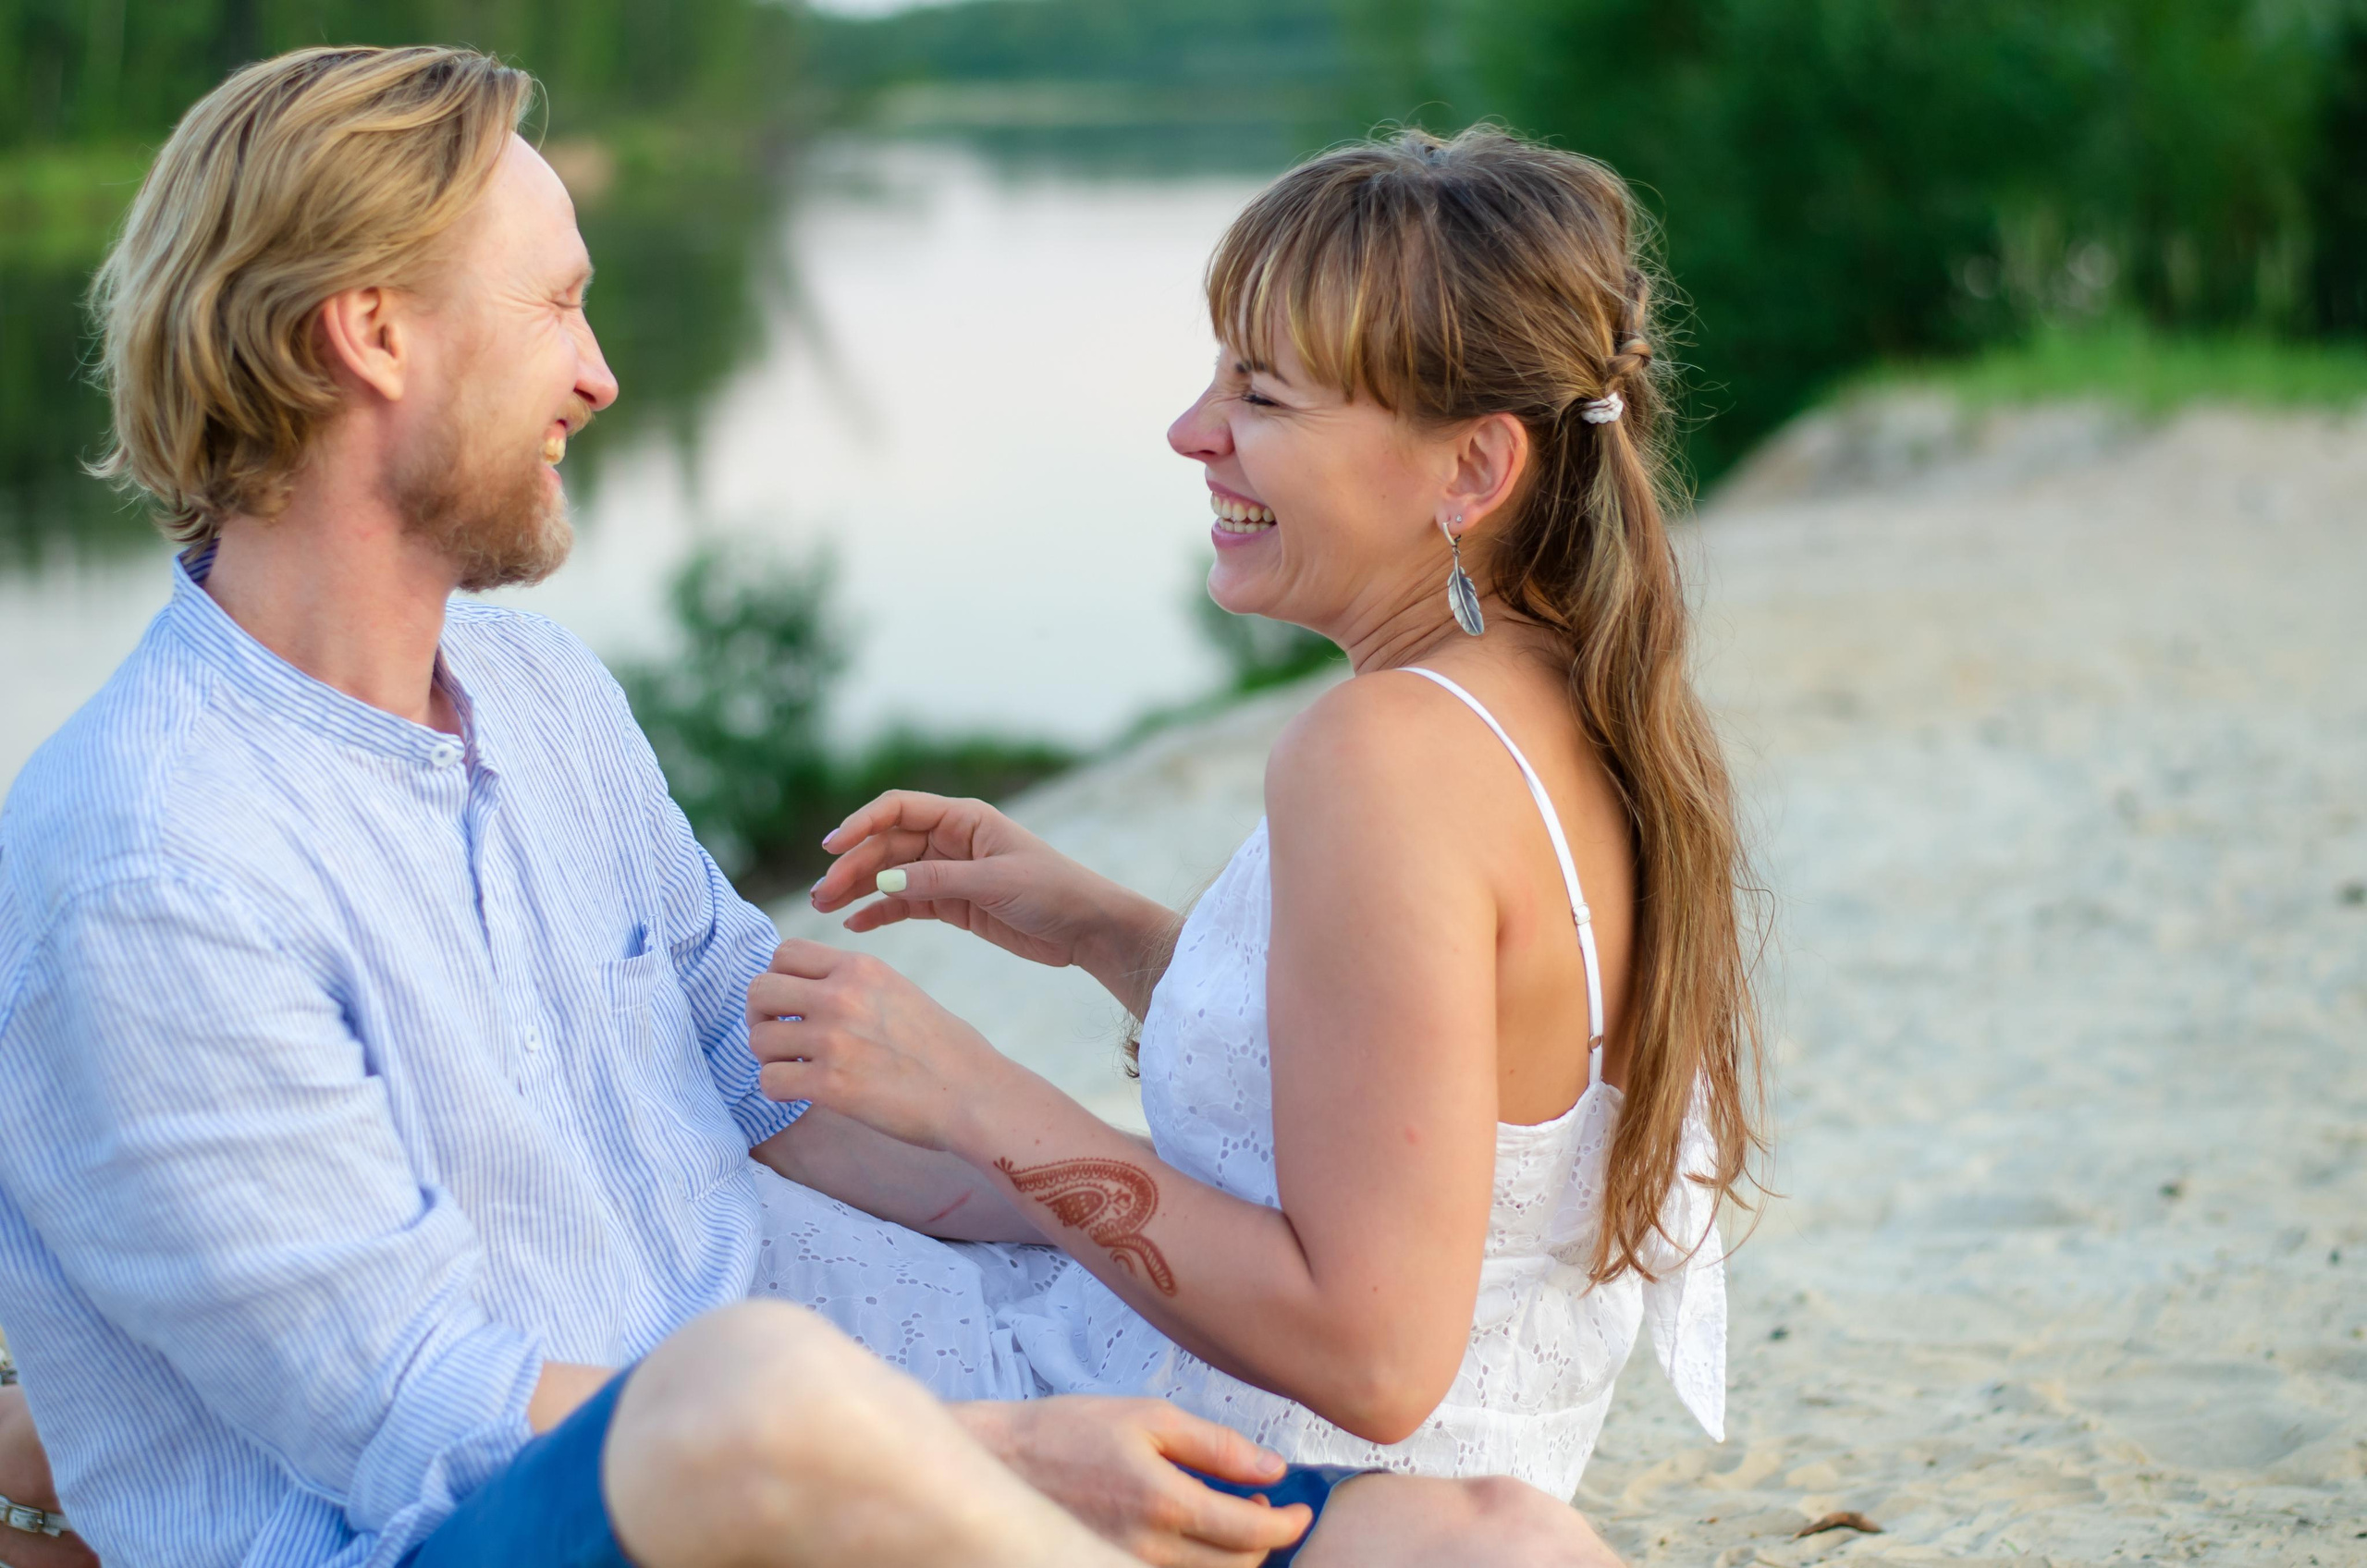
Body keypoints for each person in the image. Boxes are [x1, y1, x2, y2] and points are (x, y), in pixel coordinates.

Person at [0, 48, 1616, 1568]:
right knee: (743, 1385)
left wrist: (1158, 1215)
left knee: (1496, 1539)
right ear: (373, 335)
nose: (600, 373)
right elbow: (422, 1413)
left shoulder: (540, 696)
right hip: (534, 1510)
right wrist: (970, 1453)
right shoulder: (155, 865)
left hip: (816, 1449)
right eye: (558, 307)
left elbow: (765, 1081)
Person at [727, 125, 1765, 1499]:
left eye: (1262, 399)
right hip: (1347, 1454)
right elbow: (1426, 1087)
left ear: (1468, 472)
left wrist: (971, 1089)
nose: (1189, 432)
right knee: (752, 1183)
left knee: (689, 1274)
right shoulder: (1568, 698)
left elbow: (1375, 1358)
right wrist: (1115, 934)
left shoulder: (1386, 754)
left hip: (1249, 1483)